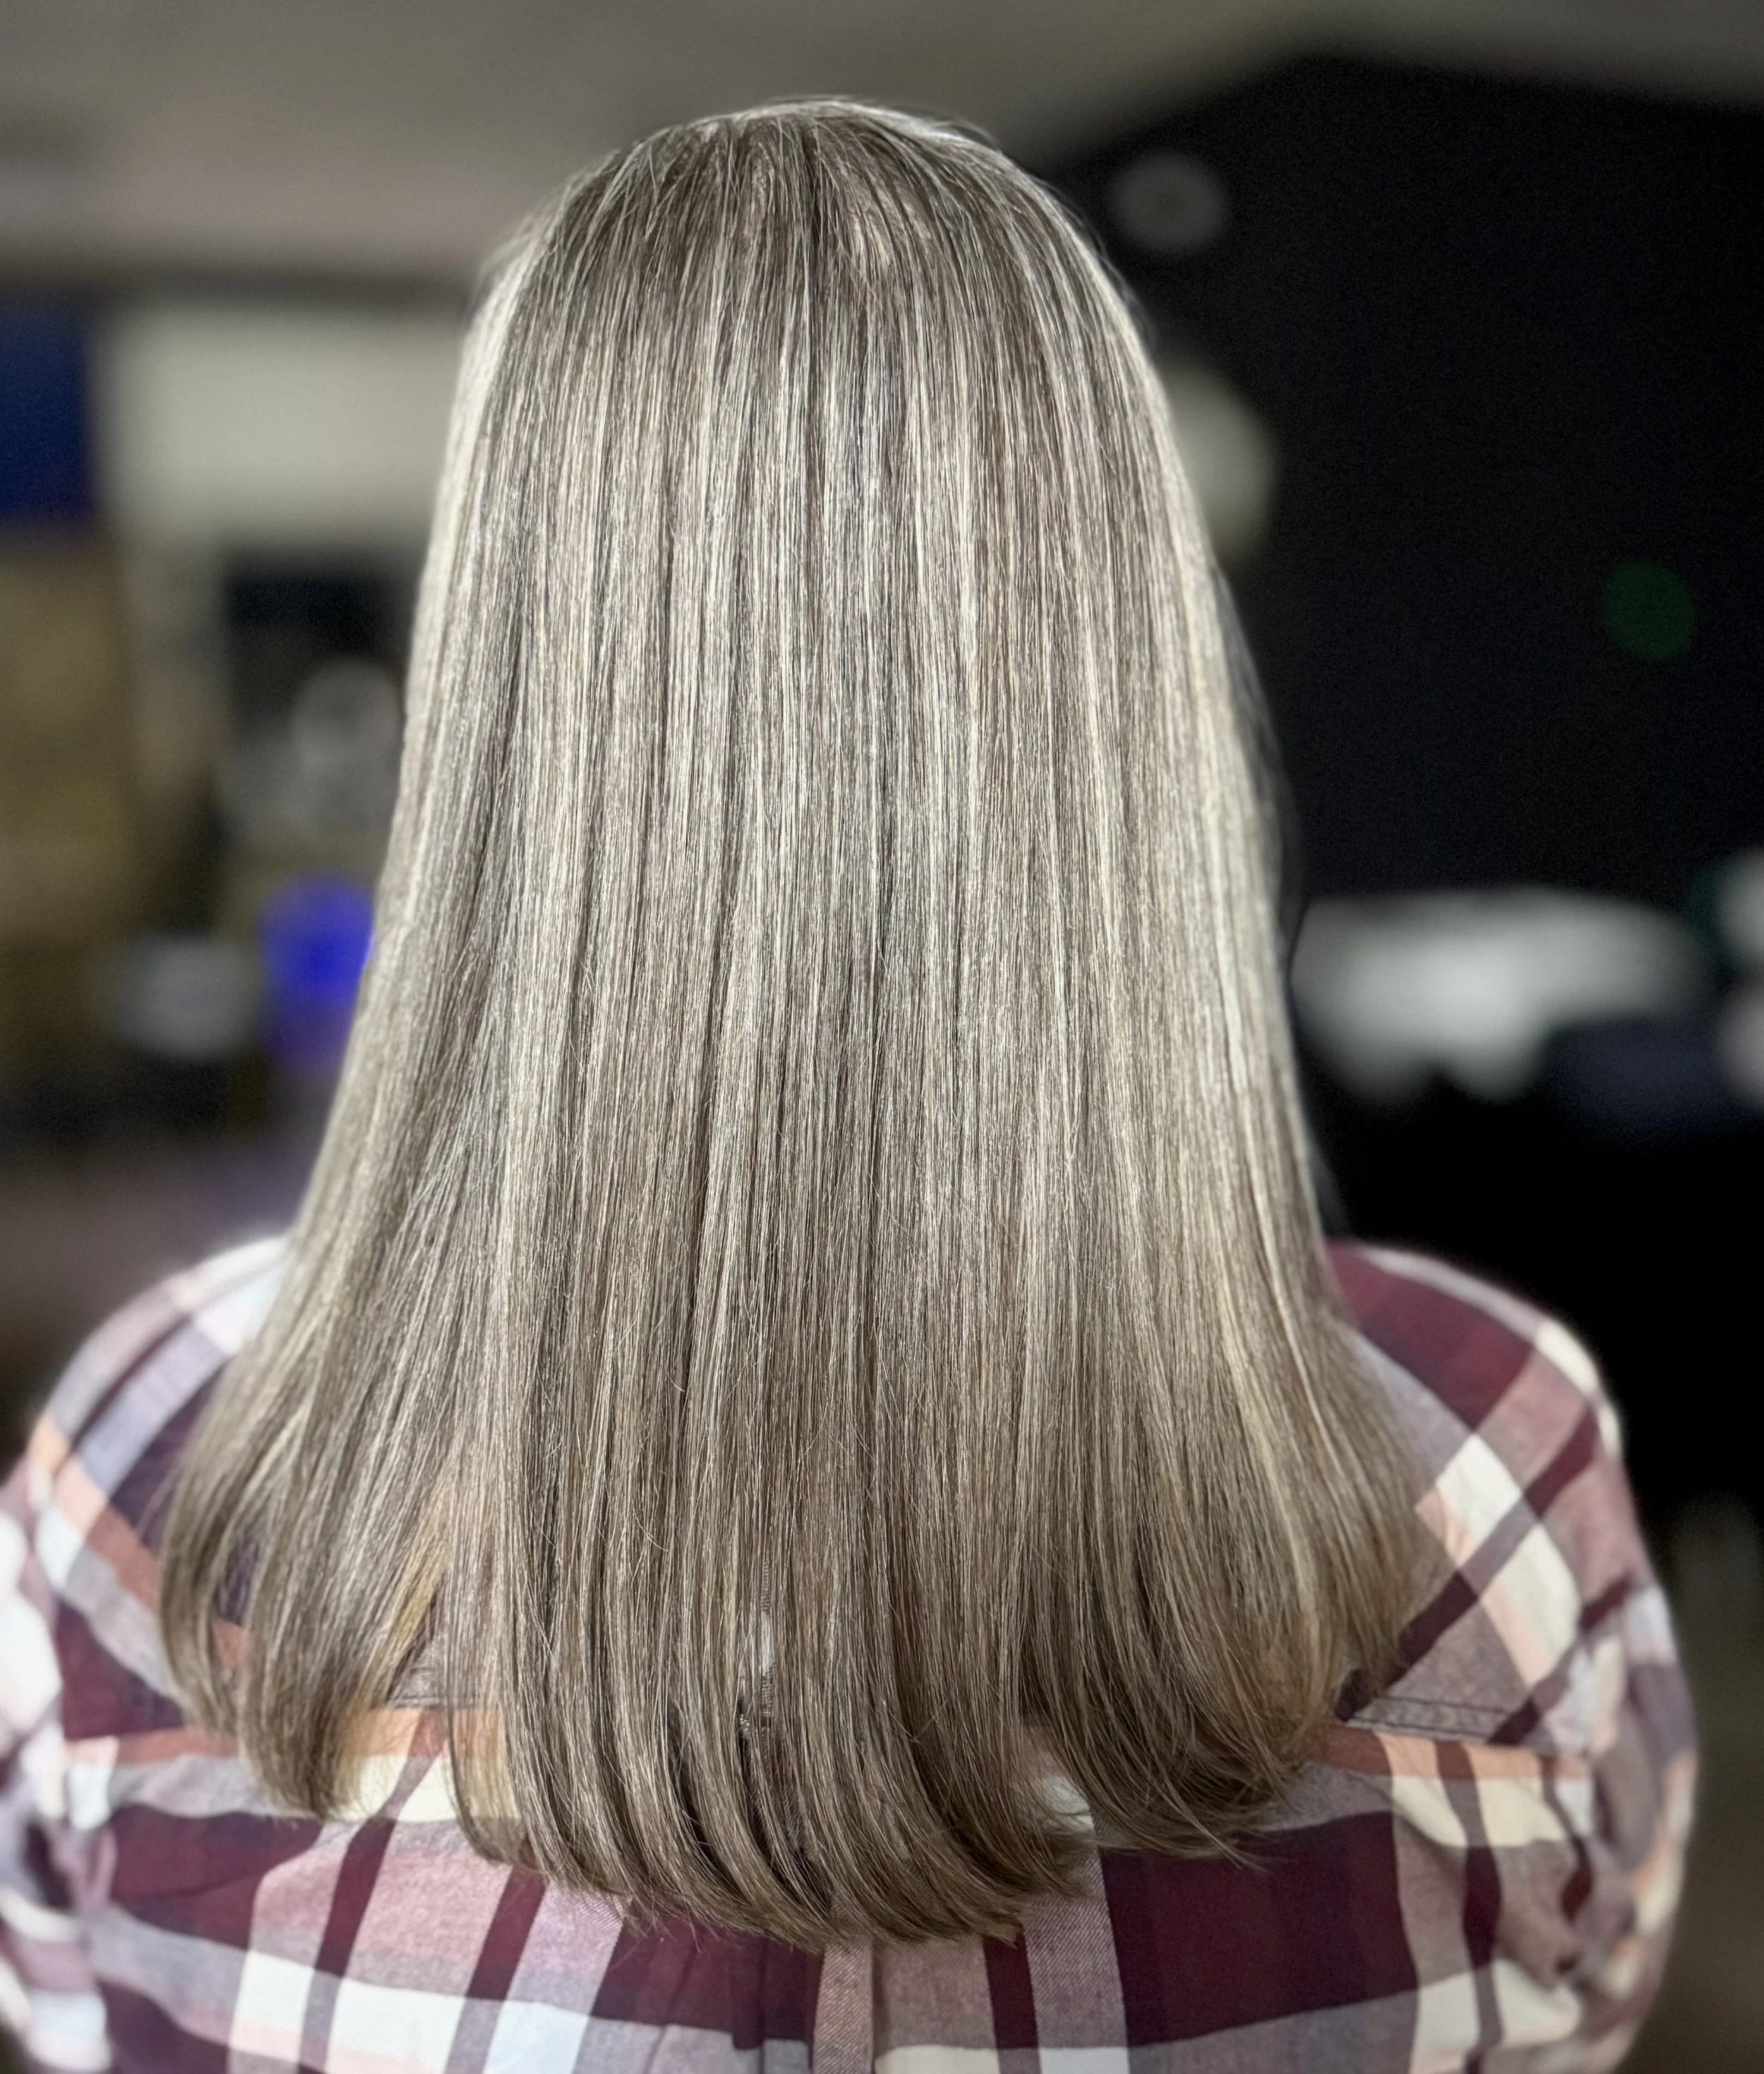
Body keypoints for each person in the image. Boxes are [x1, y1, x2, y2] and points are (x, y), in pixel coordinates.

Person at [0, 102, 1691, 2071]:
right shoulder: (1478, 1454)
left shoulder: (158, 1456)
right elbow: (1585, 1996)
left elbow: (70, 2008)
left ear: (506, 694)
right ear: (1118, 675)